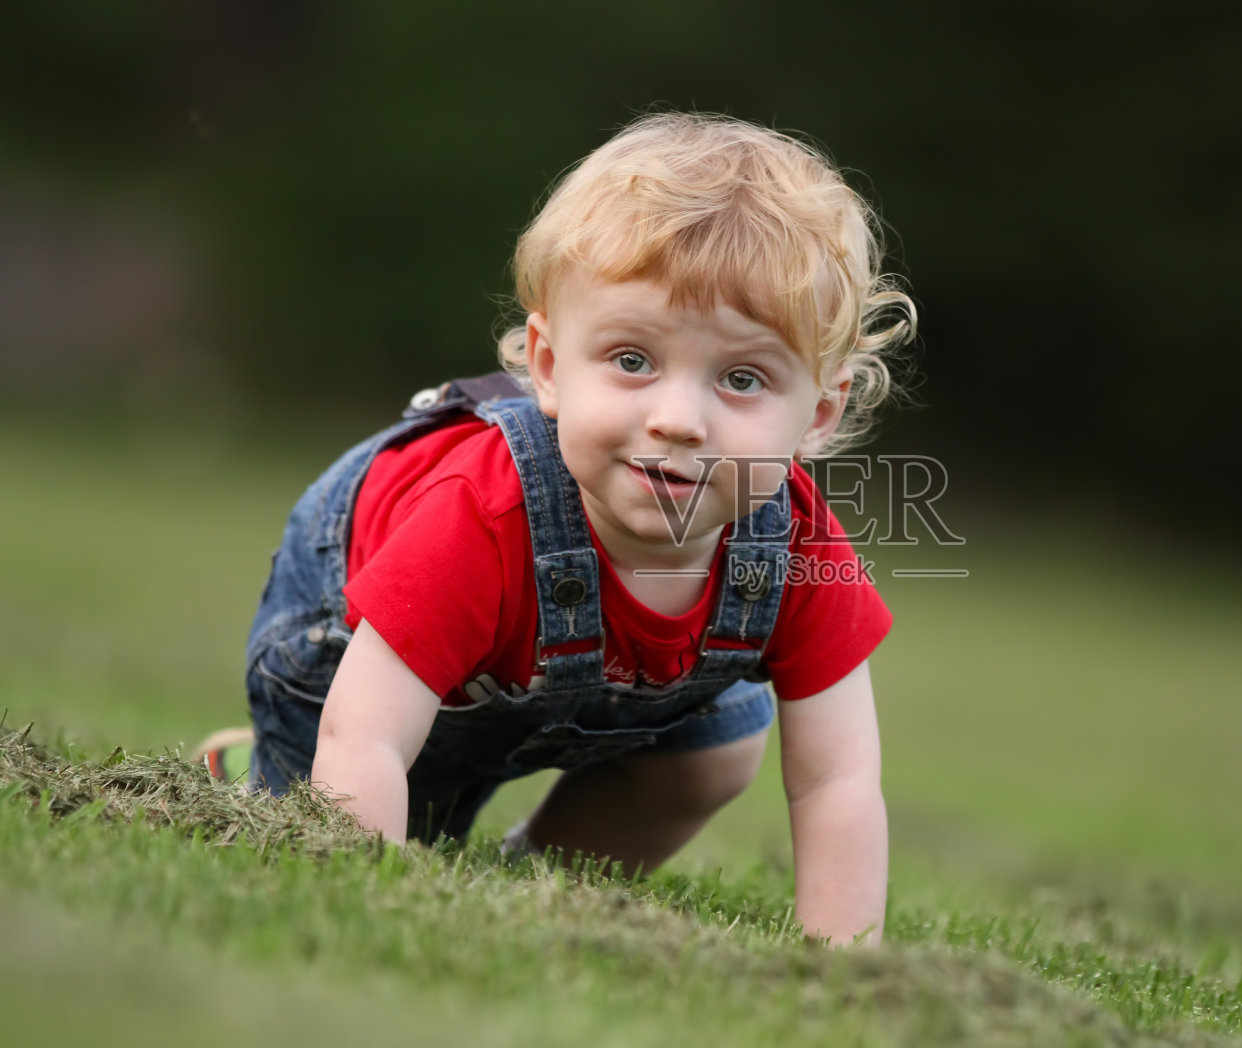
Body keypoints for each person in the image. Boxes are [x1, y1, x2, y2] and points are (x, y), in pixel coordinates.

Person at [195, 112, 915, 948]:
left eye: (743, 378)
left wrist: (842, 967)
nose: (678, 420)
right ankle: (258, 774)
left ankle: (534, 872)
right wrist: (369, 925)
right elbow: (366, 731)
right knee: (350, 819)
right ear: (545, 365)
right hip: (352, 648)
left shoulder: (795, 545)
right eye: (633, 360)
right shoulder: (482, 511)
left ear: (819, 414)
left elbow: (839, 780)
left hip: (568, 685)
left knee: (720, 748)